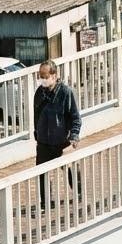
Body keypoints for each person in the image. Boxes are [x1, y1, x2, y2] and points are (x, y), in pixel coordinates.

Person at [34, 59, 82, 204]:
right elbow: (36, 115)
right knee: (42, 173)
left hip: (61, 141)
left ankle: (79, 194)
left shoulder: (66, 93)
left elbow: (75, 118)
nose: (43, 79)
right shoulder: (39, 93)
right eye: (40, 76)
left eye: (45, 76)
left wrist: (73, 137)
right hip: (43, 142)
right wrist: (37, 133)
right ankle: (46, 201)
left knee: (70, 169)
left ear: (54, 76)